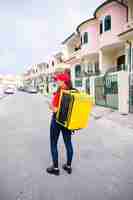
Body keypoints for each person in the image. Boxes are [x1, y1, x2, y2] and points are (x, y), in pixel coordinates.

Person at [46, 72, 73, 176]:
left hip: (56, 121)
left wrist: (50, 105)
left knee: (53, 143)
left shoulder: (61, 92)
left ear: (63, 81)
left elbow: (55, 109)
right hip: (67, 123)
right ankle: (68, 166)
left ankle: (56, 168)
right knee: (68, 144)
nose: (56, 81)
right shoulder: (72, 91)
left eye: (58, 80)